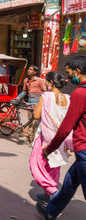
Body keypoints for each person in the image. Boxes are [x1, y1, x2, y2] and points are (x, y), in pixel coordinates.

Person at [37, 56, 86, 220]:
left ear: (77, 71)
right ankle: (51, 211)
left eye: (69, 72)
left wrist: (49, 149)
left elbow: (66, 127)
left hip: (84, 148)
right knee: (70, 182)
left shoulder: (80, 93)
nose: (68, 76)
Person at [30, 71, 72, 204]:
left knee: (36, 165)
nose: (46, 83)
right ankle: (48, 196)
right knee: (53, 166)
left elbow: (36, 116)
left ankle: (53, 192)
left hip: (45, 137)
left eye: (47, 81)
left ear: (51, 82)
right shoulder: (68, 97)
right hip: (61, 139)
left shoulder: (46, 96)